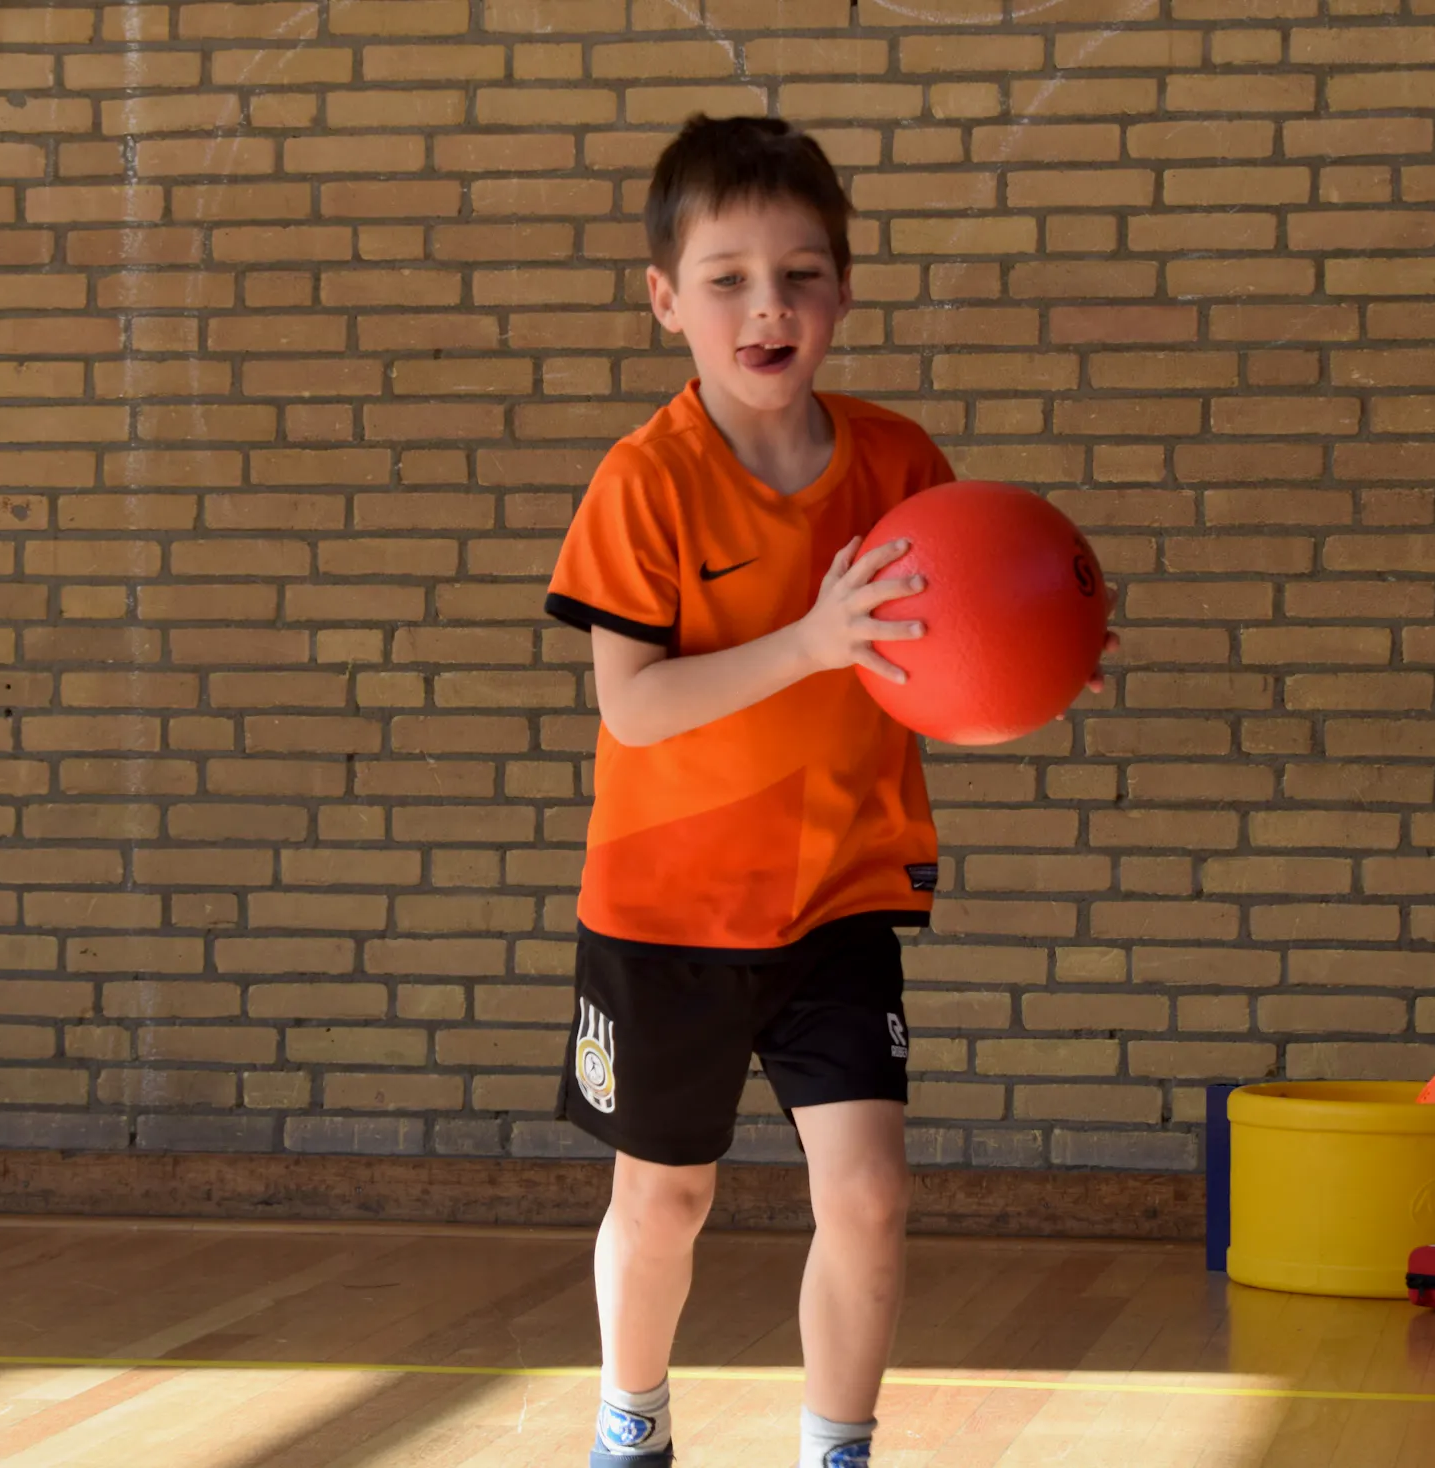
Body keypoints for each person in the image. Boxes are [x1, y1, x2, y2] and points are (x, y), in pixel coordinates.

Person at [544, 114, 1109, 1468]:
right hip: (666, 913)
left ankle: (838, 1449)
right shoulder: (645, 485)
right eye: (728, 277)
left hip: (840, 896)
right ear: (666, 300)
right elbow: (634, 704)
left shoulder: (903, 466)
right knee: (667, 1198)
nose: (768, 305)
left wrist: (1028, 664)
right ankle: (632, 1425)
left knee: (868, 1196)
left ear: (842, 294)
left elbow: (937, 665)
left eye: (801, 274)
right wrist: (808, 640)